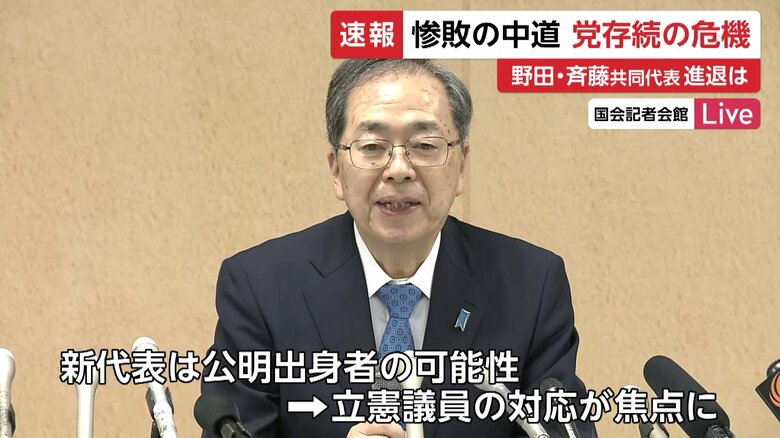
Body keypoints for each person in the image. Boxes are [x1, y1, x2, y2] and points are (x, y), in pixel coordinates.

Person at [201, 59, 596, 437]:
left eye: (425, 145)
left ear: (461, 166)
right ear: (336, 169)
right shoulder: (260, 288)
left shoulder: (531, 285)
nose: (399, 169)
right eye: (373, 147)